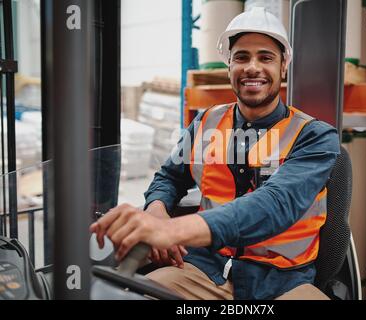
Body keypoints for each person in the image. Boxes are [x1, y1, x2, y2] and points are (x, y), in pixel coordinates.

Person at [90, 7, 340, 300]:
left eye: (266, 57)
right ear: (229, 66)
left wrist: (173, 231)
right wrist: (156, 212)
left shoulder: (315, 136)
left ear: (284, 66)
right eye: (241, 57)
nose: (252, 68)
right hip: (204, 270)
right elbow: (169, 176)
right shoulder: (205, 123)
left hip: (283, 281)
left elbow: (276, 205)